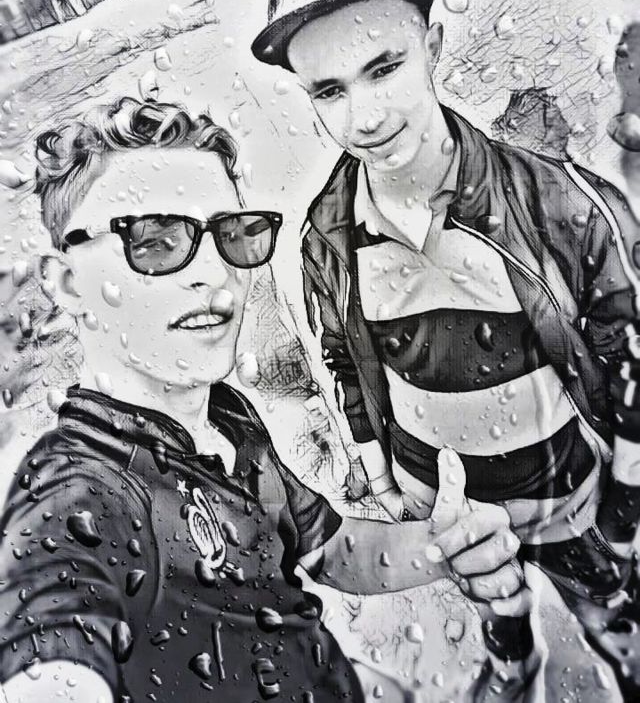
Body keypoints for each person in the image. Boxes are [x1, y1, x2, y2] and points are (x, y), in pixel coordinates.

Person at [0, 98, 526, 703]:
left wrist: (443, 548)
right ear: (68, 282)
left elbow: (328, 550)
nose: (215, 273)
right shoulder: (78, 491)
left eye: (231, 236)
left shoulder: (229, 418)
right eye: (156, 240)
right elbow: (50, 655)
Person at [251, 0, 640, 696]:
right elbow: (342, 357)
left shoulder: (550, 200)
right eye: (329, 90)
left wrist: (624, 503)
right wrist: (385, 481)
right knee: (497, 608)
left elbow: (628, 349)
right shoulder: (328, 234)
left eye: (384, 67)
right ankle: (511, 659)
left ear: (430, 45)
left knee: (617, 620)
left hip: (571, 498)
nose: (364, 116)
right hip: (449, 508)